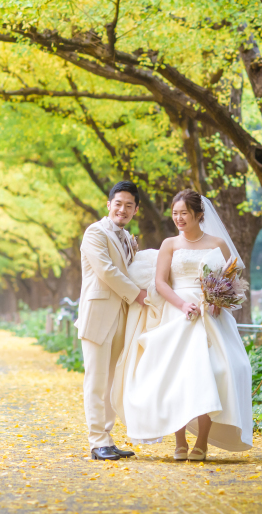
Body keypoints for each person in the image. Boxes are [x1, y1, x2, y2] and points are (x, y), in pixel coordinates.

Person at [112, 189, 253, 461]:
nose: (178, 218)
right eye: (175, 213)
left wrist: (217, 302)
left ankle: (202, 441)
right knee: (175, 374)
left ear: (199, 215)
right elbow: (161, 282)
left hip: (211, 316)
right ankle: (179, 441)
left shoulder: (218, 244)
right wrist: (180, 304)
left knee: (215, 371)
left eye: (184, 213)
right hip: (178, 312)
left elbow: (230, 280)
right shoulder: (170, 244)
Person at [76, 181, 145, 461]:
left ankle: (107, 436)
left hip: (123, 316)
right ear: (109, 205)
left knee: (113, 380)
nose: (123, 209)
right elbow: (105, 270)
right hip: (99, 313)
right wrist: (137, 294)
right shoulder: (95, 232)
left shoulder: (128, 238)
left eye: (129, 205)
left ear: (136, 210)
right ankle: (96, 441)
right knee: (96, 380)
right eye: (118, 203)